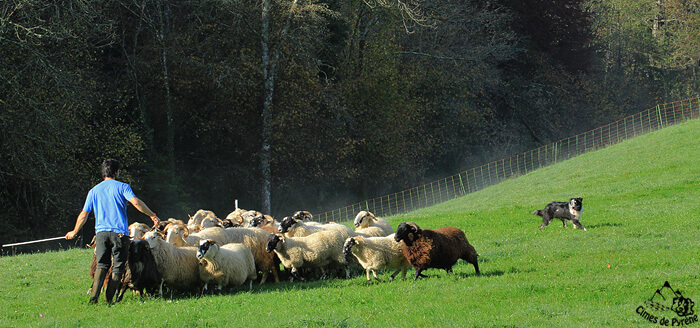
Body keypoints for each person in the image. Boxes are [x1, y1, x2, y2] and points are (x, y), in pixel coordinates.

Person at [65, 159, 160, 304]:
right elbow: (135, 202)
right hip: (119, 234)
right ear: (116, 172)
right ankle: (108, 300)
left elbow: (84, 214)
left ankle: (93, 298)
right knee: (118, 267)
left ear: (103, 172)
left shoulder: (94, 190)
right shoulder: (123, 187)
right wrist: (152, 214)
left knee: (102, 265)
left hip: (101, 234)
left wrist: (74, 231)